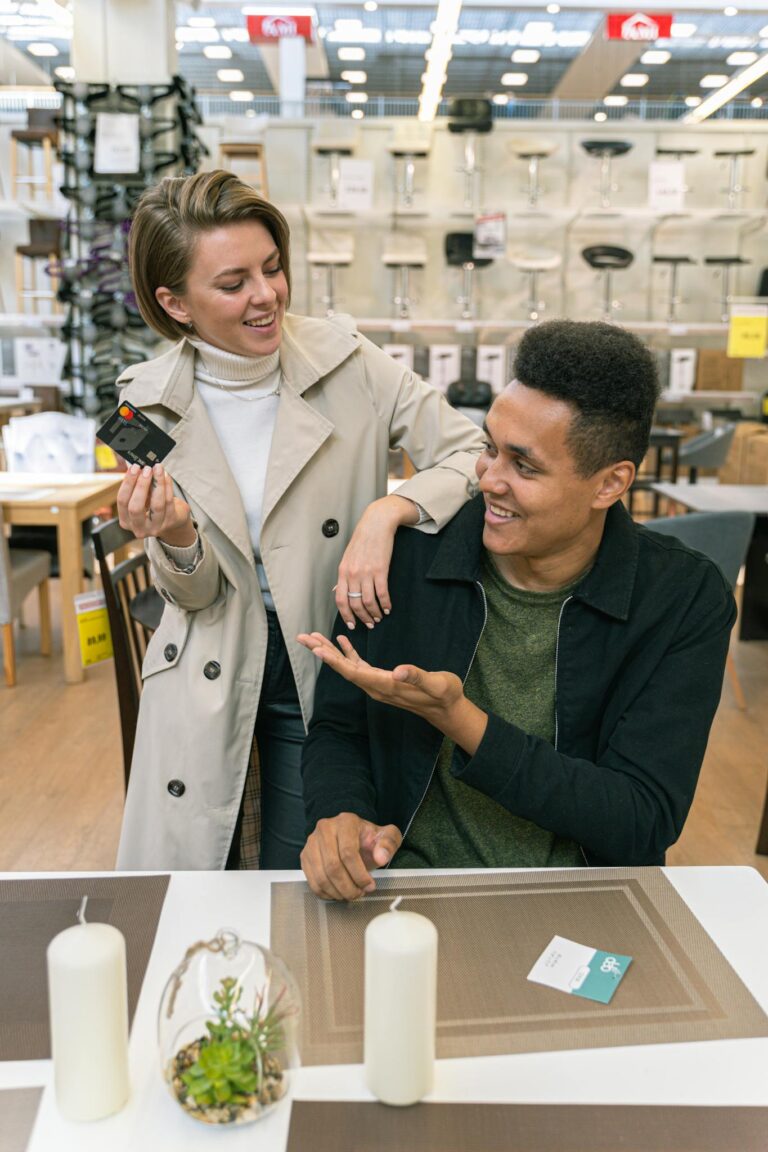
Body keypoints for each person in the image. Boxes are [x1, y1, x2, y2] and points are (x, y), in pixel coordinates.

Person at [113, 169, 485, 872]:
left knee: (305, 881)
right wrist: (176, 537)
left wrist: (389, 510)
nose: (266, 296)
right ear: (175, 302)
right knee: (202, 890)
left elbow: (474, 452)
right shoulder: (147, 401)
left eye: (273, 268)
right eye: (233, 283)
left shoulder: (350, 363)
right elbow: (192, 597)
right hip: (207, 673)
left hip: (325, 663)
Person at [298, 319, 736, 901]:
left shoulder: (681, 598)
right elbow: (338, 727)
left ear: (610, 484)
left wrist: (460, 719)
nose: (488, 480)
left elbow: (641, 819)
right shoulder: (405, 558)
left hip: (581, 901)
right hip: (399, 888)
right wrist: (341, 814)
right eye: (488, 448)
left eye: (524, 467)